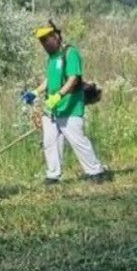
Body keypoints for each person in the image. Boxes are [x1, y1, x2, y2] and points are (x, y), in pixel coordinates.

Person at [34, 22, 108, 185]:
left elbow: (73, 78)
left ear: (55, 36)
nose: (44, 44)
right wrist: (35, 93)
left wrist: (59, 96)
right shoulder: (52, 58)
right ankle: (53, 175)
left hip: (70, 107)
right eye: (41, 41)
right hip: (52, 109)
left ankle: (96, 172)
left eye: (46, 40)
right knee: (50, 142)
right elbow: (48, 80)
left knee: (78, 141)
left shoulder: (70, 53)